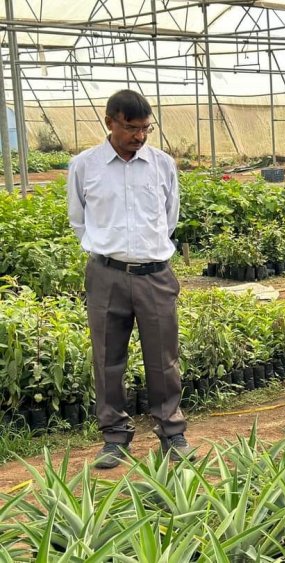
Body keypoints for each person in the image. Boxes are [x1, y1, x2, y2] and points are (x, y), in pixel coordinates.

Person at [67, 89, 193, 469]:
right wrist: (108, 251)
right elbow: (79, 219)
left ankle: (171, 431)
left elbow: (169, 217)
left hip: (154, 274)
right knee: (107, 358)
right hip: (106, 274)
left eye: (145, 129)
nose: (139, 136)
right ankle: (114, 436)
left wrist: (146, 252)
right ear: (110, 122)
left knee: (163, 359)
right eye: (131, 128)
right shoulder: (84, 166)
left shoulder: (162, 164)